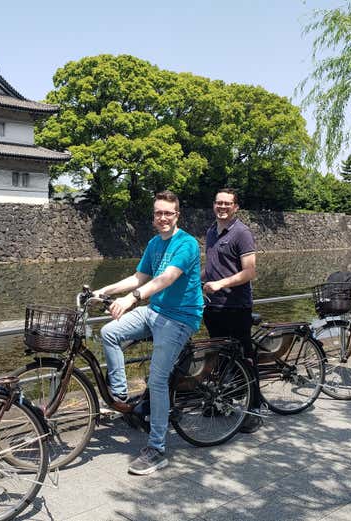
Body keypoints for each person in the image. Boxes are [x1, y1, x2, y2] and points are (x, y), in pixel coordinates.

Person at [96, 190, 203, 475]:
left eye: (168, 213)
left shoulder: (187, 244)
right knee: (109, 332)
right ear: (153, 216)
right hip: (155, 311)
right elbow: (138, 277)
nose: (163, 217)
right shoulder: (154, 243)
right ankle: (121, 397)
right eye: (158, 213)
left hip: (179, 317)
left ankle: (157, 448)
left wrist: (133, 298)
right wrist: (102, 290)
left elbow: (167, 278)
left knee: (157, 380)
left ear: (177, 215)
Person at [201, 188, 263, 433]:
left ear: (235, 207)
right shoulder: (211, 232)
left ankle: (254, 409)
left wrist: (221, 283)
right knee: (219, 357)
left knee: (245, 357)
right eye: (218, 203)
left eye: (227, 203)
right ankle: (221, 400)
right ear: (213, 205)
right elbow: (213, 268)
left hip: (236, 306)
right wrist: (193, 280)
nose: (222, 207)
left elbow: (250, 271)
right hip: (212, 306)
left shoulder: (242, 233)